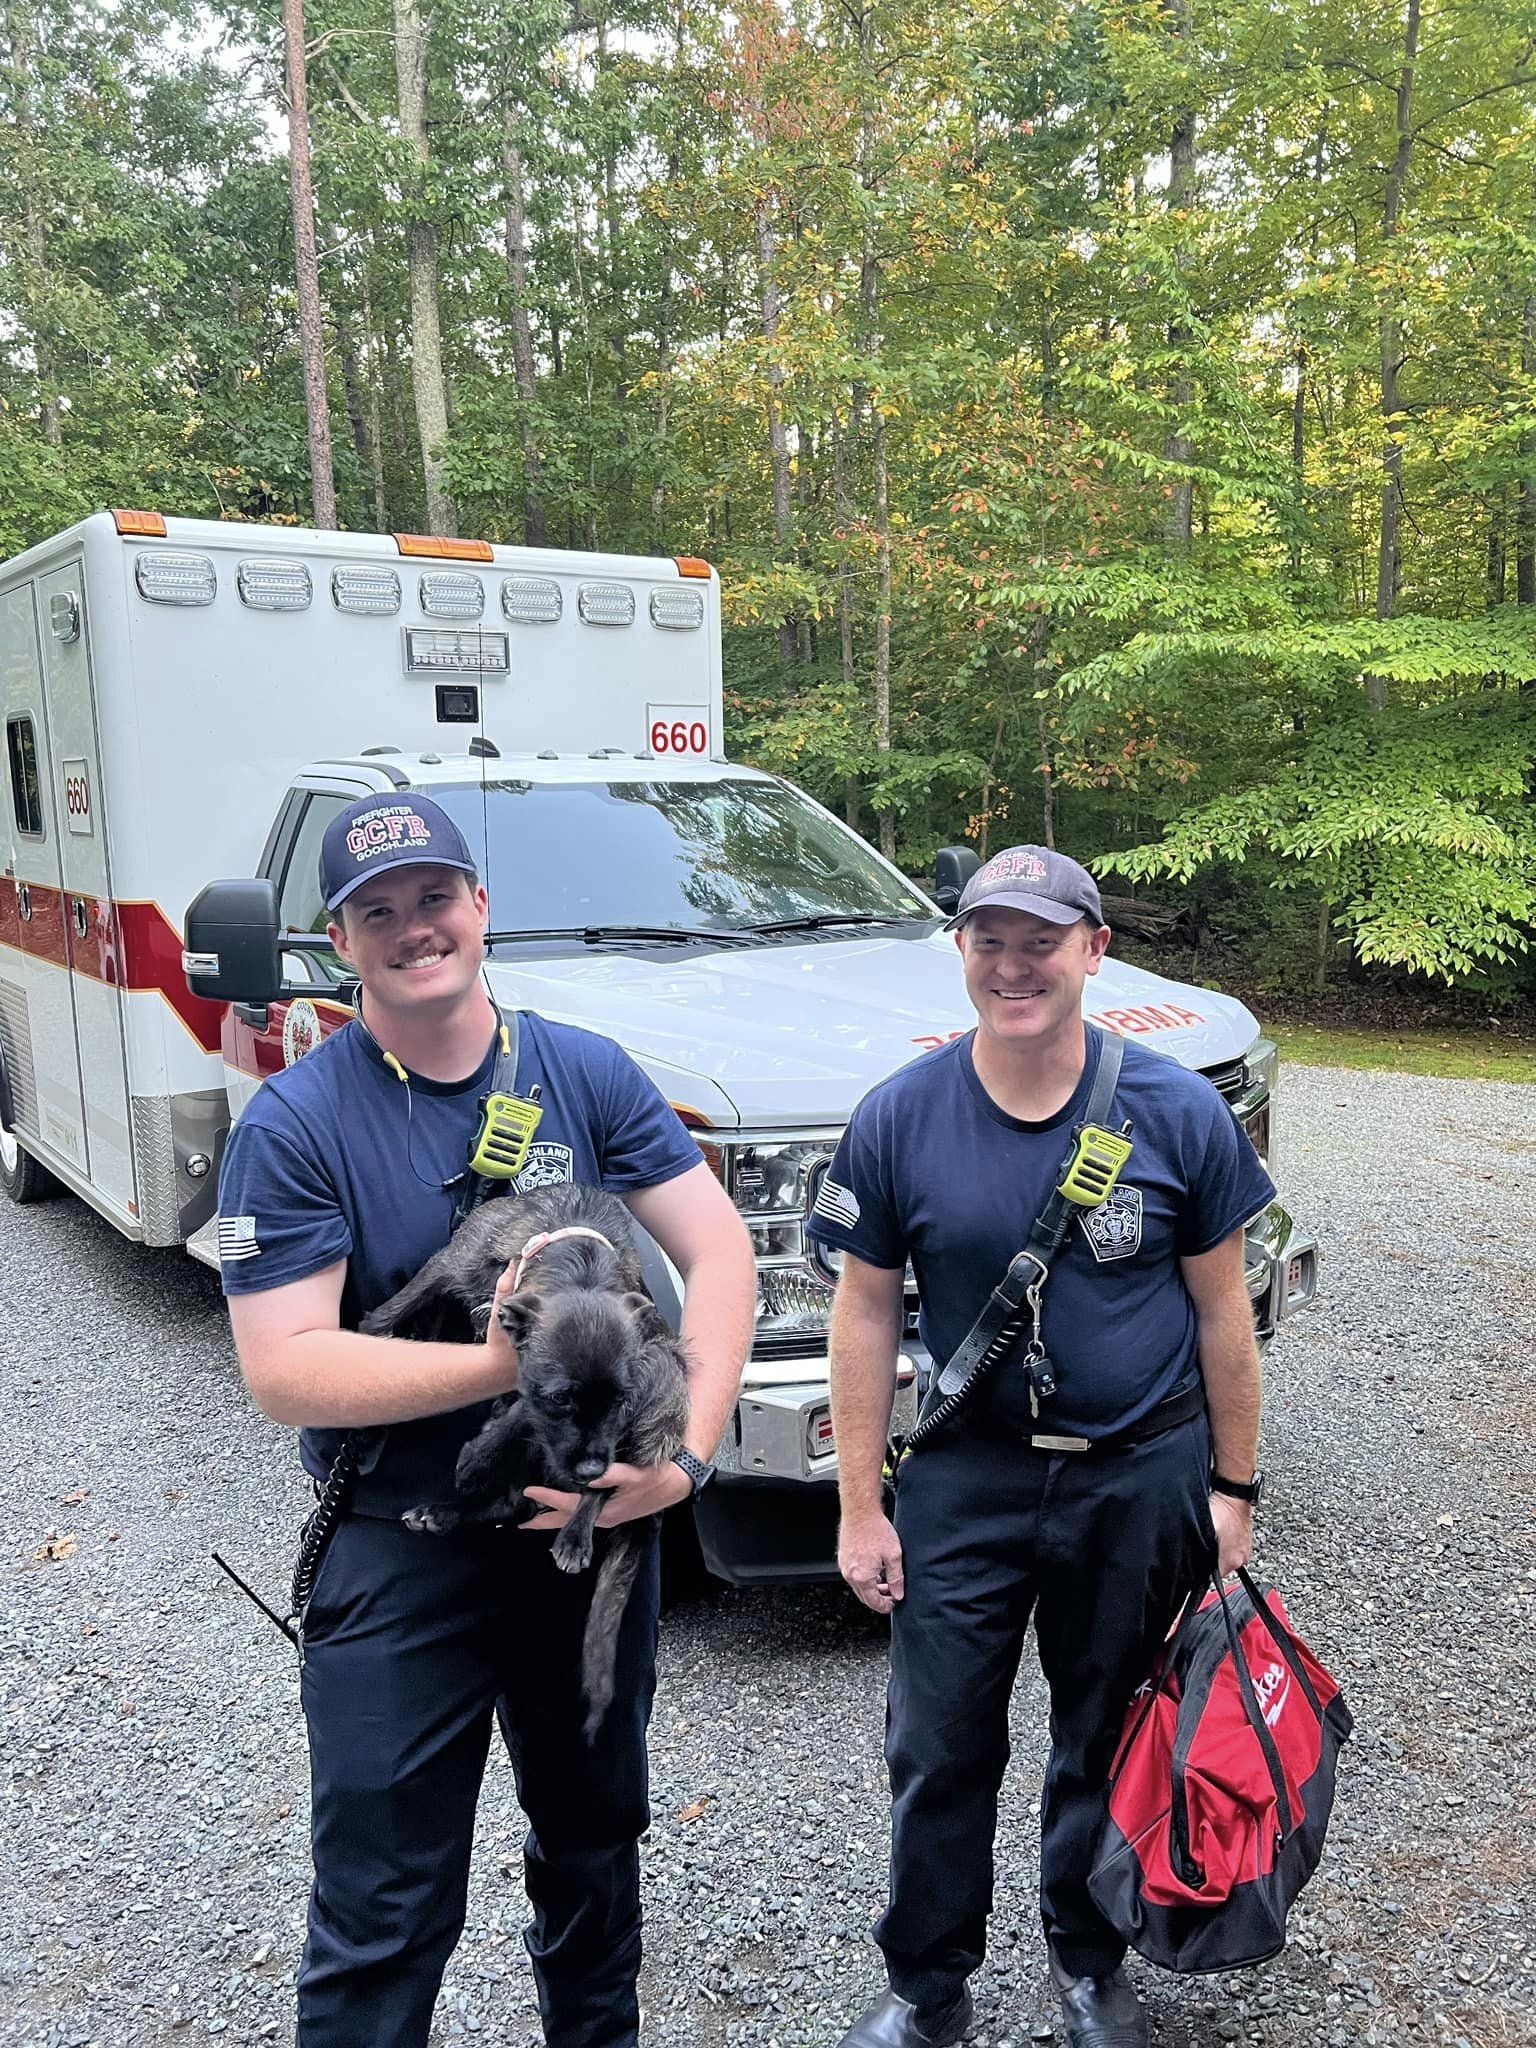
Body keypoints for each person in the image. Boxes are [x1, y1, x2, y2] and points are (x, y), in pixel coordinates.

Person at [216, 792, 756, 2048]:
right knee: (383, 1910)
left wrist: (689, 1450)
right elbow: (284, 1367)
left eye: (435, 898)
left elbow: (720, 1251)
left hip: (580, 1535)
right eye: (379, 912)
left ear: (481, 908)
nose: (415, 929)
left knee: (591, 1860)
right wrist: (511, 1365)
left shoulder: (583, 1069)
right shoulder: (300, 1122)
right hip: (401, 1546)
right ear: (341, 940)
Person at [808, 846, 1275, 2048]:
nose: (1014, 965)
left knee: (1106, 1726)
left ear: (1092, 951)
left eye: (1041, 940)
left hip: (1136, 1474)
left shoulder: (1175, 1110)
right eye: (990, 939)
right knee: (939, 1741)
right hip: (967, 1477)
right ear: (958, 950)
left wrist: (1232, 1486)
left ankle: (1087, 1957)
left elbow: (1227, 1311)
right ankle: (927, 1985)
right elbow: (862, 1314)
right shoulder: (900, 1115)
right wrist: (861, 1504)